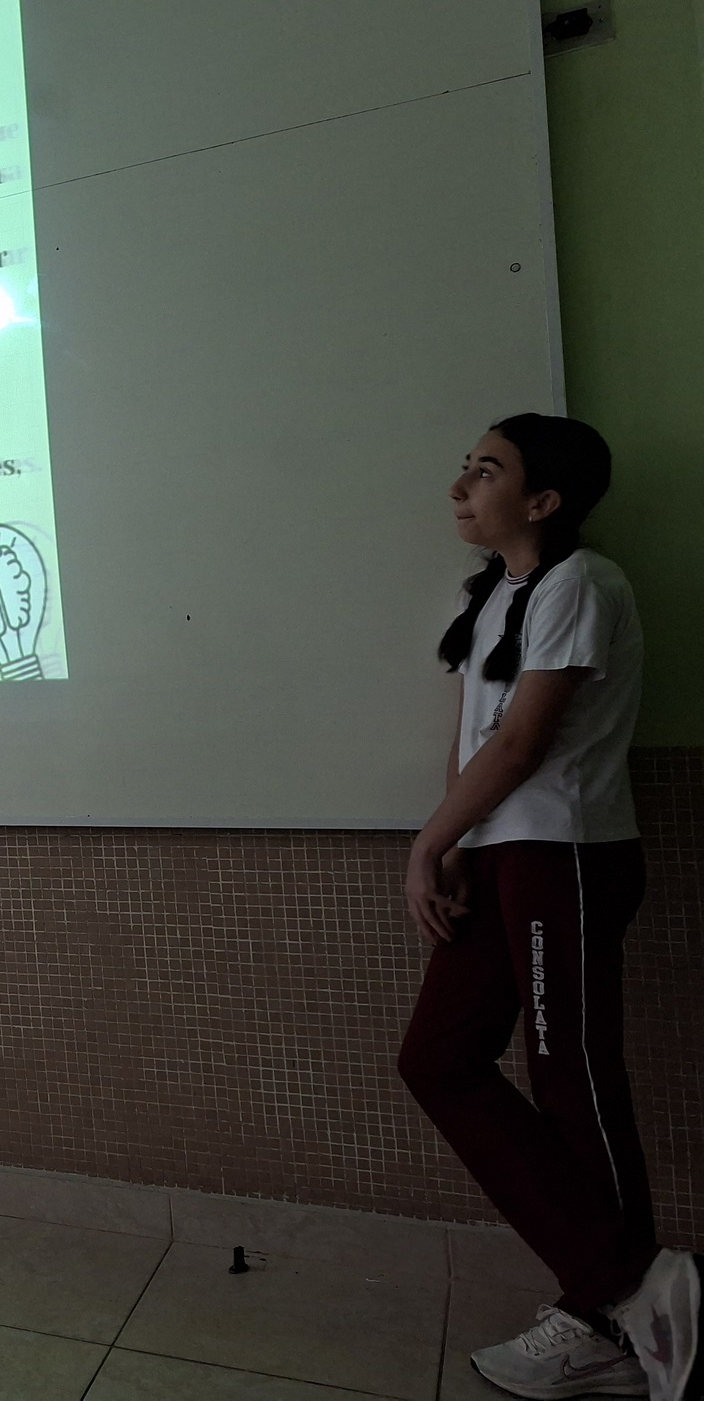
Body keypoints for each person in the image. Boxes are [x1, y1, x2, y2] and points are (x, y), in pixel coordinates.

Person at [397, 414, 697, 1400]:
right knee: (437, 1059)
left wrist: (428, 844)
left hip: (562, 853)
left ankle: (608, 1310)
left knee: (571, 1072)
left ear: (542, 501)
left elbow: (523, 743)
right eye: (465, 466)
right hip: (495, 855)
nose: (460, 486)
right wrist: (450, 845)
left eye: (484, 471)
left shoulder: (581, 582)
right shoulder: (492, 594)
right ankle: (627, 1286)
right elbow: (473, 742)